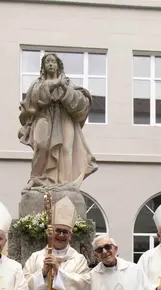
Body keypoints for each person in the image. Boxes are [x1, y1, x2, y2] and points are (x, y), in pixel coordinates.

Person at [18, 52, 98, 189]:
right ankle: (36, 177)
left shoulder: (67, 83)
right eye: (47, 61)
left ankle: (64, 182)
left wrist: (65, 89)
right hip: (44, 115)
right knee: (41, 146)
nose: (50, 64)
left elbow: (81, 102)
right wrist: (55, 84)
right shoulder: (38, 83)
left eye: (53, 61)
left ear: (58, 65)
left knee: (67, 148)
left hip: (63, 115)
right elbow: (33, 98)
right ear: (43, 66)